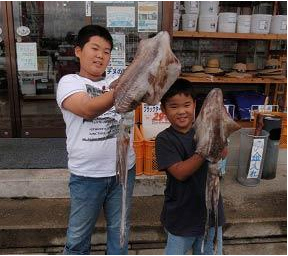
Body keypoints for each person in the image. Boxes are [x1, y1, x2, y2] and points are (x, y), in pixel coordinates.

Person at [56, 25, 136, 255]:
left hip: (123, 172)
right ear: (78, 51)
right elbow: (88, 109)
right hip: (87, 176)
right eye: (95, 48)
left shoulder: (114, 81)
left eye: (107, 51)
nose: (101, 55)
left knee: (120, 232)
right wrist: (126, 85)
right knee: (78, 237)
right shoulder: (69, 82)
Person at [155, 78, 226, 255]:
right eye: (174, 106)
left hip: (211, 214)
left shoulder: (203, 129)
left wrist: (219, 132)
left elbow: (222, 154)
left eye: (186, 105)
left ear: (194, 105)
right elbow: (180, 173)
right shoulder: (164, 139)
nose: (181, 111)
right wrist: (204, 149)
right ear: (163, 109)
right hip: (181, 217)